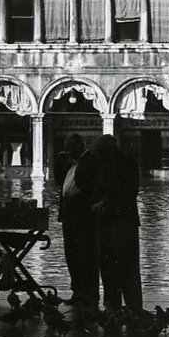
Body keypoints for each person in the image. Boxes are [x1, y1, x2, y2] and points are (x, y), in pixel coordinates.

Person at [88, 134, 143, 314]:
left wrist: (104, 204)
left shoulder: (122, 164)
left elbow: (127, 193)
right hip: (112, 222)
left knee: (122, 265)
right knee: (113, 265)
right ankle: (121, 305)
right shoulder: (113, 164)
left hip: (121, 222)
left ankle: (126, 306)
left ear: (107, 152)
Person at [55, 134, 99, 308]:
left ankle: (88, 294)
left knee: (85, 255)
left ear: (80, 146)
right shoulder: (69, 163)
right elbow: (59, 181)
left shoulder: (88, 161)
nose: (68, 151)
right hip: (69, 214)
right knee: (71, 254)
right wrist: (60, 162)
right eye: (67, 147)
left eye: (71, 147)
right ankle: (77, 291)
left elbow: (86, 185)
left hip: (83, 216)